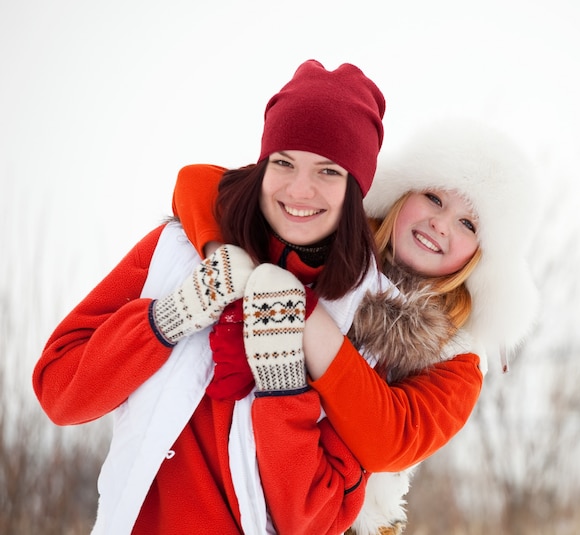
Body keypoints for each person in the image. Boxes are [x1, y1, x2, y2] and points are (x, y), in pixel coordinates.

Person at [33, 59, 390, 535]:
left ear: (355, 189)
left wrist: (282, 381)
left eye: (328, 171)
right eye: (283, 162)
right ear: (262, 165)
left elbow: (317, 520)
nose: (299, 189)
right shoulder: (176, 252)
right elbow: (59, 392)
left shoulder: (365, 320)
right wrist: (169, 318)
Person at [173, 118, 538, 535]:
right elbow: (199, 183)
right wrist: (234, 265)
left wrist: (302, 312)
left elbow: (390, 439)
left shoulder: (458, 357)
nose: (441, 223)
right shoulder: (329, 241)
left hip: (328, 515)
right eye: (434, 198)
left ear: (480, 257)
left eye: (468, 224)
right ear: (400, 192)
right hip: (211, 485)